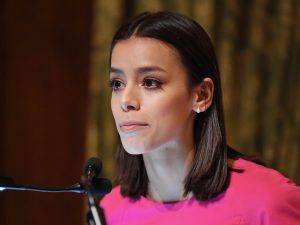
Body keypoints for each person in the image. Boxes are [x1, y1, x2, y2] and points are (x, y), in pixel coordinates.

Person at [100, 11, 300, 225]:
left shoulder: (267, 200)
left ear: (202, 95)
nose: (126, 100)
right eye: (117, 84)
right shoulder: (108, 211)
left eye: (150, 82)